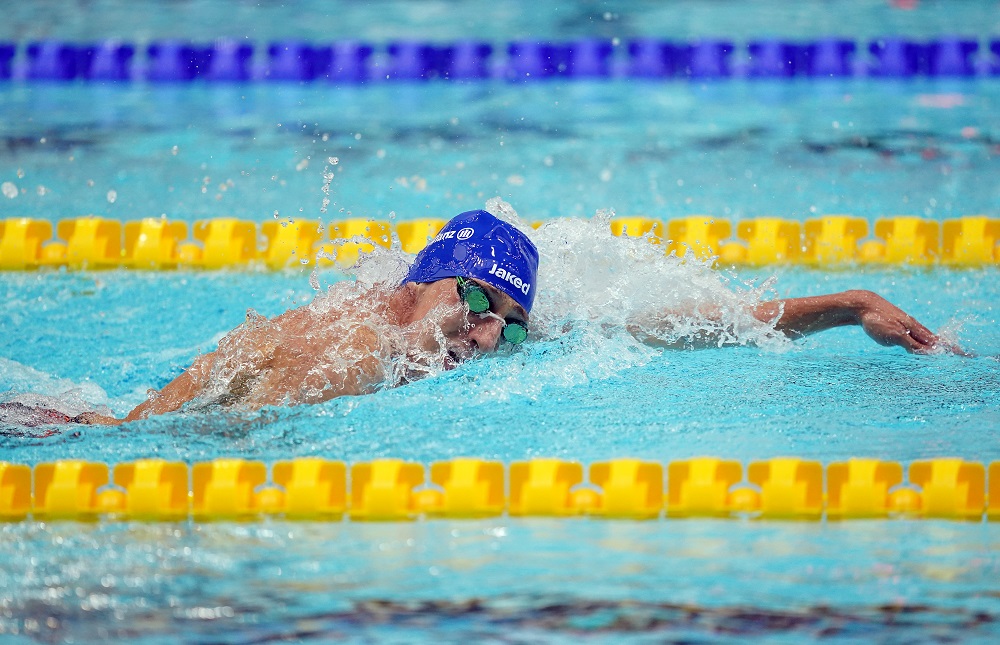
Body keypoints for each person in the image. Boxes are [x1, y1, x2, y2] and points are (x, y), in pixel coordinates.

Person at [12, 209, 959, 427]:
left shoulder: (490, 327)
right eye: (472, 300)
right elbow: (171, 446)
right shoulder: (338, 355)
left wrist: (850, 305)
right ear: (418, 283)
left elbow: (696, 323)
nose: (484, 336)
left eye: (505, 316)